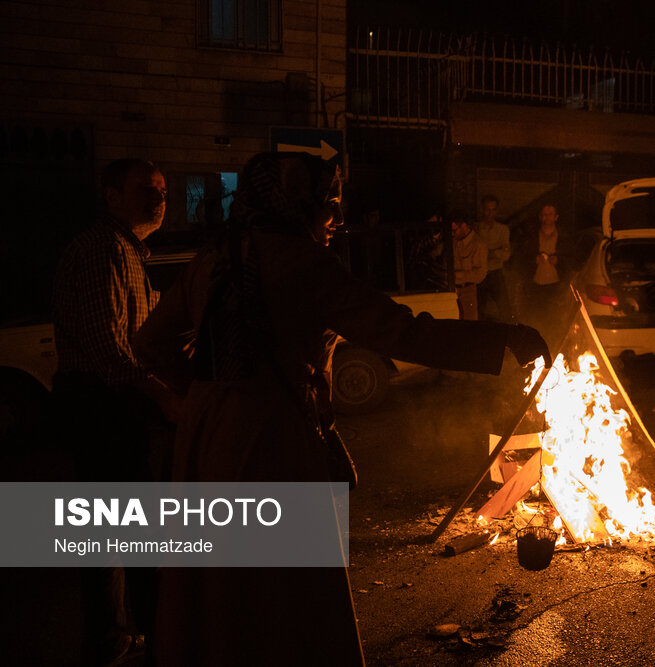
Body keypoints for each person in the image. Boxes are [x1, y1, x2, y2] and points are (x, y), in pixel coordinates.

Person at [133, 152, 549, 666]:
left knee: (221, 578)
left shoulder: (212, 258)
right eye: (329, 205)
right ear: (297, 204)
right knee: (288, 590)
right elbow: (399, 331)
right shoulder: (303, 262)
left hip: (207, 435)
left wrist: (202, 397)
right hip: (272, 436)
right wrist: (503, 339)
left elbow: (152, 345)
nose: (336, 219)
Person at [51, 157, 180, 665]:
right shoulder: (104, 247)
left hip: (110, 406)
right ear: (110, 196)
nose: (160, 198)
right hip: (101, 407)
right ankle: (124, 639)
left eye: (164, 189)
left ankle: (126, 634)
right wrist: (163, 395)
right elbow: (109, 347)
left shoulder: (128, 251)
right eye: (146, 188)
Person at [519, 204, 574, 332]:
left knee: (554, 318)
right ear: (540, 217)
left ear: (556, 217)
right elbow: (522, 256)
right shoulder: (532, 236)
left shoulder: (563, 237)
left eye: (550, 214)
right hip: (535, 284)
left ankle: (553, 343)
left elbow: (572, 258)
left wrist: (559, 260)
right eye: (544, 214)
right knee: (536, 317)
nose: (547, 217)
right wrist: (533, 259)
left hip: (556, 285)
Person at [475, 194, 514, 322]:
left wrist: (489, 253)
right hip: (479, 274)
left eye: (493, 210)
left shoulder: (502, 230)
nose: (490, 213)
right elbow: (475, 253)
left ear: (496, 211)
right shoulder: (476, 229)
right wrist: (495, 252)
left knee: (505, 309)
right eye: (487, 210)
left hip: (495, 273)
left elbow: (506, 254)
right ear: (482, 210)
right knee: (478, 310)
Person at [449, 209, 488, 320]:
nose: (452, 234)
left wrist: (456, 276)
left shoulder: (478, 245)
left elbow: (480, 274)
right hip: (452, 291)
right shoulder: (454, 241)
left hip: (468, 292)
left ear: (464, 226)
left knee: (469, 324)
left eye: (454, 230)